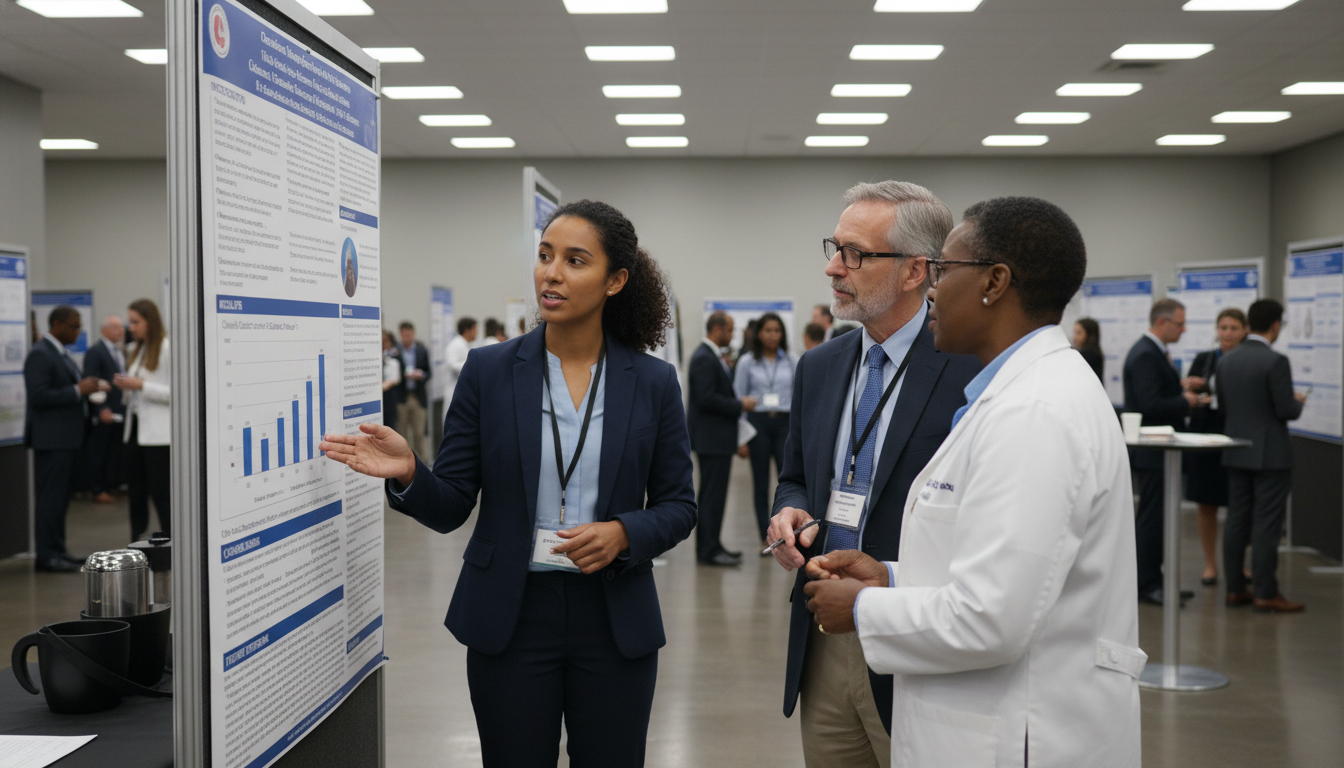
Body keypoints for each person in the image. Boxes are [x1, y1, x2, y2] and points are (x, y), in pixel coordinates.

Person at [320, 199, 695, 767]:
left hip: (613, 615)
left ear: (615, 280)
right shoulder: (489, 371)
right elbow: (450, 504)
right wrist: (410, 472)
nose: (552, 272)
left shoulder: (652, 381)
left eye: (575, 260)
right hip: (512, 617)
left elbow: (678, 505)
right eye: (545, 256)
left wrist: (624, 532)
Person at [803, 196, 1145, 768]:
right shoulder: (1016, 393)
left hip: (1023, 732)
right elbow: (997, 572)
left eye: (943, 272)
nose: (931, 290)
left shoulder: (1035, 411)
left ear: (995, 282)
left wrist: (863, 608)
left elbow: (992, 619)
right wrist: (887, 576)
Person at [766, 181, 980, 767]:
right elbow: (796, 477)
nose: (834, 267)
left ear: (916, 271)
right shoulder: (820, 367)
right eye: (834, 247)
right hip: (823, 634)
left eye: (855, 253)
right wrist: (790, 512)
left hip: (918, 641)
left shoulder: (971, 372)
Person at [1219, 299, 1307, 613]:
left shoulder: (1226, 360)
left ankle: (1234, 589)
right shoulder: (1275, 361)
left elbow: (1226, 407)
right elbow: (1286, 410)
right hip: (1271, 454)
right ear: (1274, 326)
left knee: (1236, 521)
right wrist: (1299, 402)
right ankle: (1265, 592)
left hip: (1236, 449)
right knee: (1267, 524)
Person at [1122, 298, 1205, 606]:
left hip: (1159, 452)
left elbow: (1154, 391)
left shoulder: (1152, 352)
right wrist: (1186, 402)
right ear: (1162, 322)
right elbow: (1149, 403)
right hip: (1152, 450)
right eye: (1180, 324)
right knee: (1152, 519)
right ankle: (1146, 583)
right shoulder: (1145, 354)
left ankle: (1157, 580)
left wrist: (1179, 386)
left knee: (1159, 519)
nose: (1184, 330)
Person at [25, 306, 107, 572]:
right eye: (74, 326)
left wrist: (87, 386)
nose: (78, 331)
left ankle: (59, 550)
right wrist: (77, 390)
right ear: (57, 324)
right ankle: (47, 555)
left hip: (66, 440)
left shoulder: (61, 353)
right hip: (52, 441)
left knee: (60, 500)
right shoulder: (40, 354)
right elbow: (39, 396)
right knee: (50, 499)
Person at [1184, 307, 1247, 586]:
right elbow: (1189, 394)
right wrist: (1192, 387)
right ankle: (1210, 564)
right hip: (1206, 437)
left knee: (1240, 505)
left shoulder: (1249, 360)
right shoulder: (1205, 359)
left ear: (1244, 330)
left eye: (1233, 328)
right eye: (1223, 328)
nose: (1227, 333)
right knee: (1206, 503)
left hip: (1236, 435)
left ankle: (1238, 563)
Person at [688, 311, 747, 566]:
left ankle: (715, 544)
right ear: (718, 329)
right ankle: (708, 551)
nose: (732, 336)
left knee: (715, 496)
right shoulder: (704, 357)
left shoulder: (711, 356)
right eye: (730, 330)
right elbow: (705, 398)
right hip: (711, 440)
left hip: (716, 440)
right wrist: (739, 404)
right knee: (712, 497)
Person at [734, 311, 796, 545]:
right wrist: (741, 438)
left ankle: (787, 530)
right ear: (758, 333)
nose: (772, 335)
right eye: (768, 330)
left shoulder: (791, 359)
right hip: (758, 424)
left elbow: (799, 396)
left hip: (784, 423)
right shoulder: (747, 361)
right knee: (760, 482)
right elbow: (739, 399)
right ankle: (765, 534)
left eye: (777, 331)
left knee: (787, 481)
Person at [114, 299, 171, 540]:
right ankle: (136, 541)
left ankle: (170, 539)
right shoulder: (136, 350)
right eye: (130, 322)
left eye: (136, 322)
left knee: (161, 492)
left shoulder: (167, 348)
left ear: (151, 321)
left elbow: (178, 394)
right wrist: (126, 387)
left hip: (159, 435)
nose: (131, 328)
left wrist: (141, 385)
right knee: (135, 493)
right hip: (134, 429)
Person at [83, 315, 127, 504]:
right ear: (105, 330)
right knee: (99, 451)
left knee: (113, 452)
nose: (122, 331)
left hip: (119, 410)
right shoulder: (96, 352)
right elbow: (92, 381)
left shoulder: (119, 351)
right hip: (105, 411)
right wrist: (101, 408)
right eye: (117, 328)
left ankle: (111, 485)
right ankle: (98, 489)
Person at [396, 321, 432, 459]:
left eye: (409, 334)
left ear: (413, 334)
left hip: (418, 397)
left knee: (419, 434)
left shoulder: (421, 350)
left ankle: (422, 467)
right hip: (402, 398)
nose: (407, 337)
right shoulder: (396, 351)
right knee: (402, 434)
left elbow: (429, 373)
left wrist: (420, 375)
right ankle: (403, 467)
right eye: (404, 335)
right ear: (400, 335)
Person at [443, 317, 476, 408]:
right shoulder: (456, 344)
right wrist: (473, 366)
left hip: (463, 391)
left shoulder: (466, 344)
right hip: (454, 390)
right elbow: (452, 364)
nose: (476, 333)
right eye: (474, 329)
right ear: (467, 330)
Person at [382, 330, 403, 433]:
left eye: (385, 341)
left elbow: (395, 379)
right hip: (378, 400)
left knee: (389, 429)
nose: (383, 343)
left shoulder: (393, 357)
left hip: (389, 399)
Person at [1072, 316, 1104, 381]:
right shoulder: (1094, 353)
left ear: (1090, 335)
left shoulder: (1089, 355)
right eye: (1075, 333)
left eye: (1079, 333)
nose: (1075, 337)